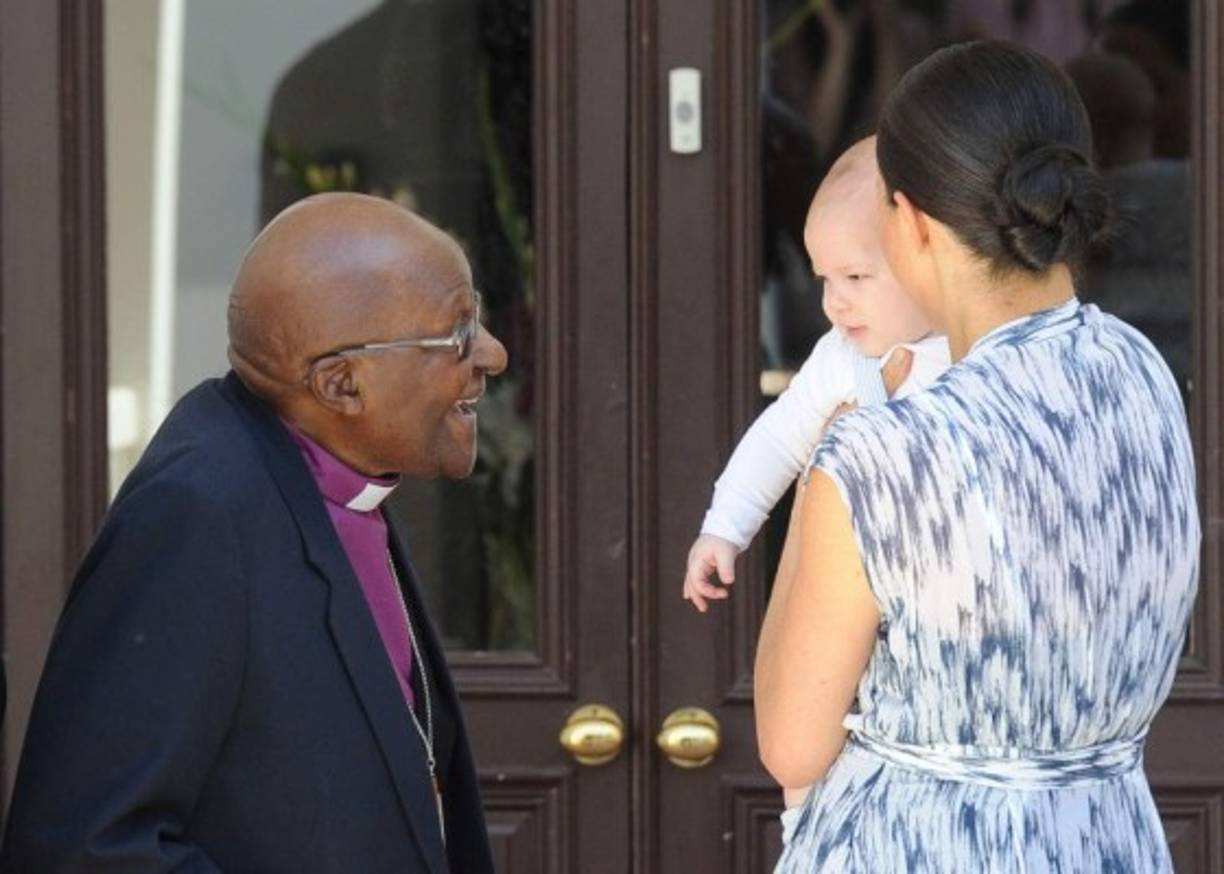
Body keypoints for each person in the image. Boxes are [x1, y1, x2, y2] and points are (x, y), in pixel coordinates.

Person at [756, 41, 1199, 872]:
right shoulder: (1142, 370)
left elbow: (790, 745)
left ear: (911, 220)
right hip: (1109, 841)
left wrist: (824, 451)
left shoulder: (881, 451)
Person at [1, 193, 506, 873]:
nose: (493, 354)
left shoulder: (341, 476)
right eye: (457, 334)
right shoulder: (193, 517)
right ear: (341, 384)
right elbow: (82, 848)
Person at [683, 138, 948, 615]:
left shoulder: (980, 346)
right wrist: (723, 528)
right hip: (879, 595)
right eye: (824, 279)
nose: (834, 301)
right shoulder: (845, 360)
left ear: (926, 253)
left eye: (856, 277)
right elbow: (779, 441)